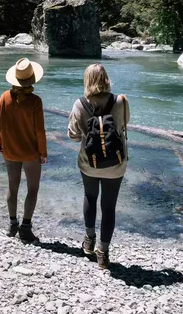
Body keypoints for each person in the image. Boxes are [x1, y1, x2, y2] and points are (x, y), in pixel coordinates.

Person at [68, 63, 130, 269]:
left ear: (87, 81)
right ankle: (103, 254)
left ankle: (88, 241)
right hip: (116, 163)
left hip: (89, 163)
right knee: (109, 206)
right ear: (106, 79)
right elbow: (123, 126)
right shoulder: (120, 101)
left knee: (90, 197)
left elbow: (73, 136)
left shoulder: (79, 104)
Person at [0, 58, 47, 243]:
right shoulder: (35, 101)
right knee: (32, 189)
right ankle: (26, 228)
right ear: (31, 79)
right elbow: (39, 130)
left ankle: (12, 225)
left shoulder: (5, 96)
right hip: (30, 153)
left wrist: (0, 143)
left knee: (12, 187)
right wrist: (43, 152)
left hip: (9, 151)